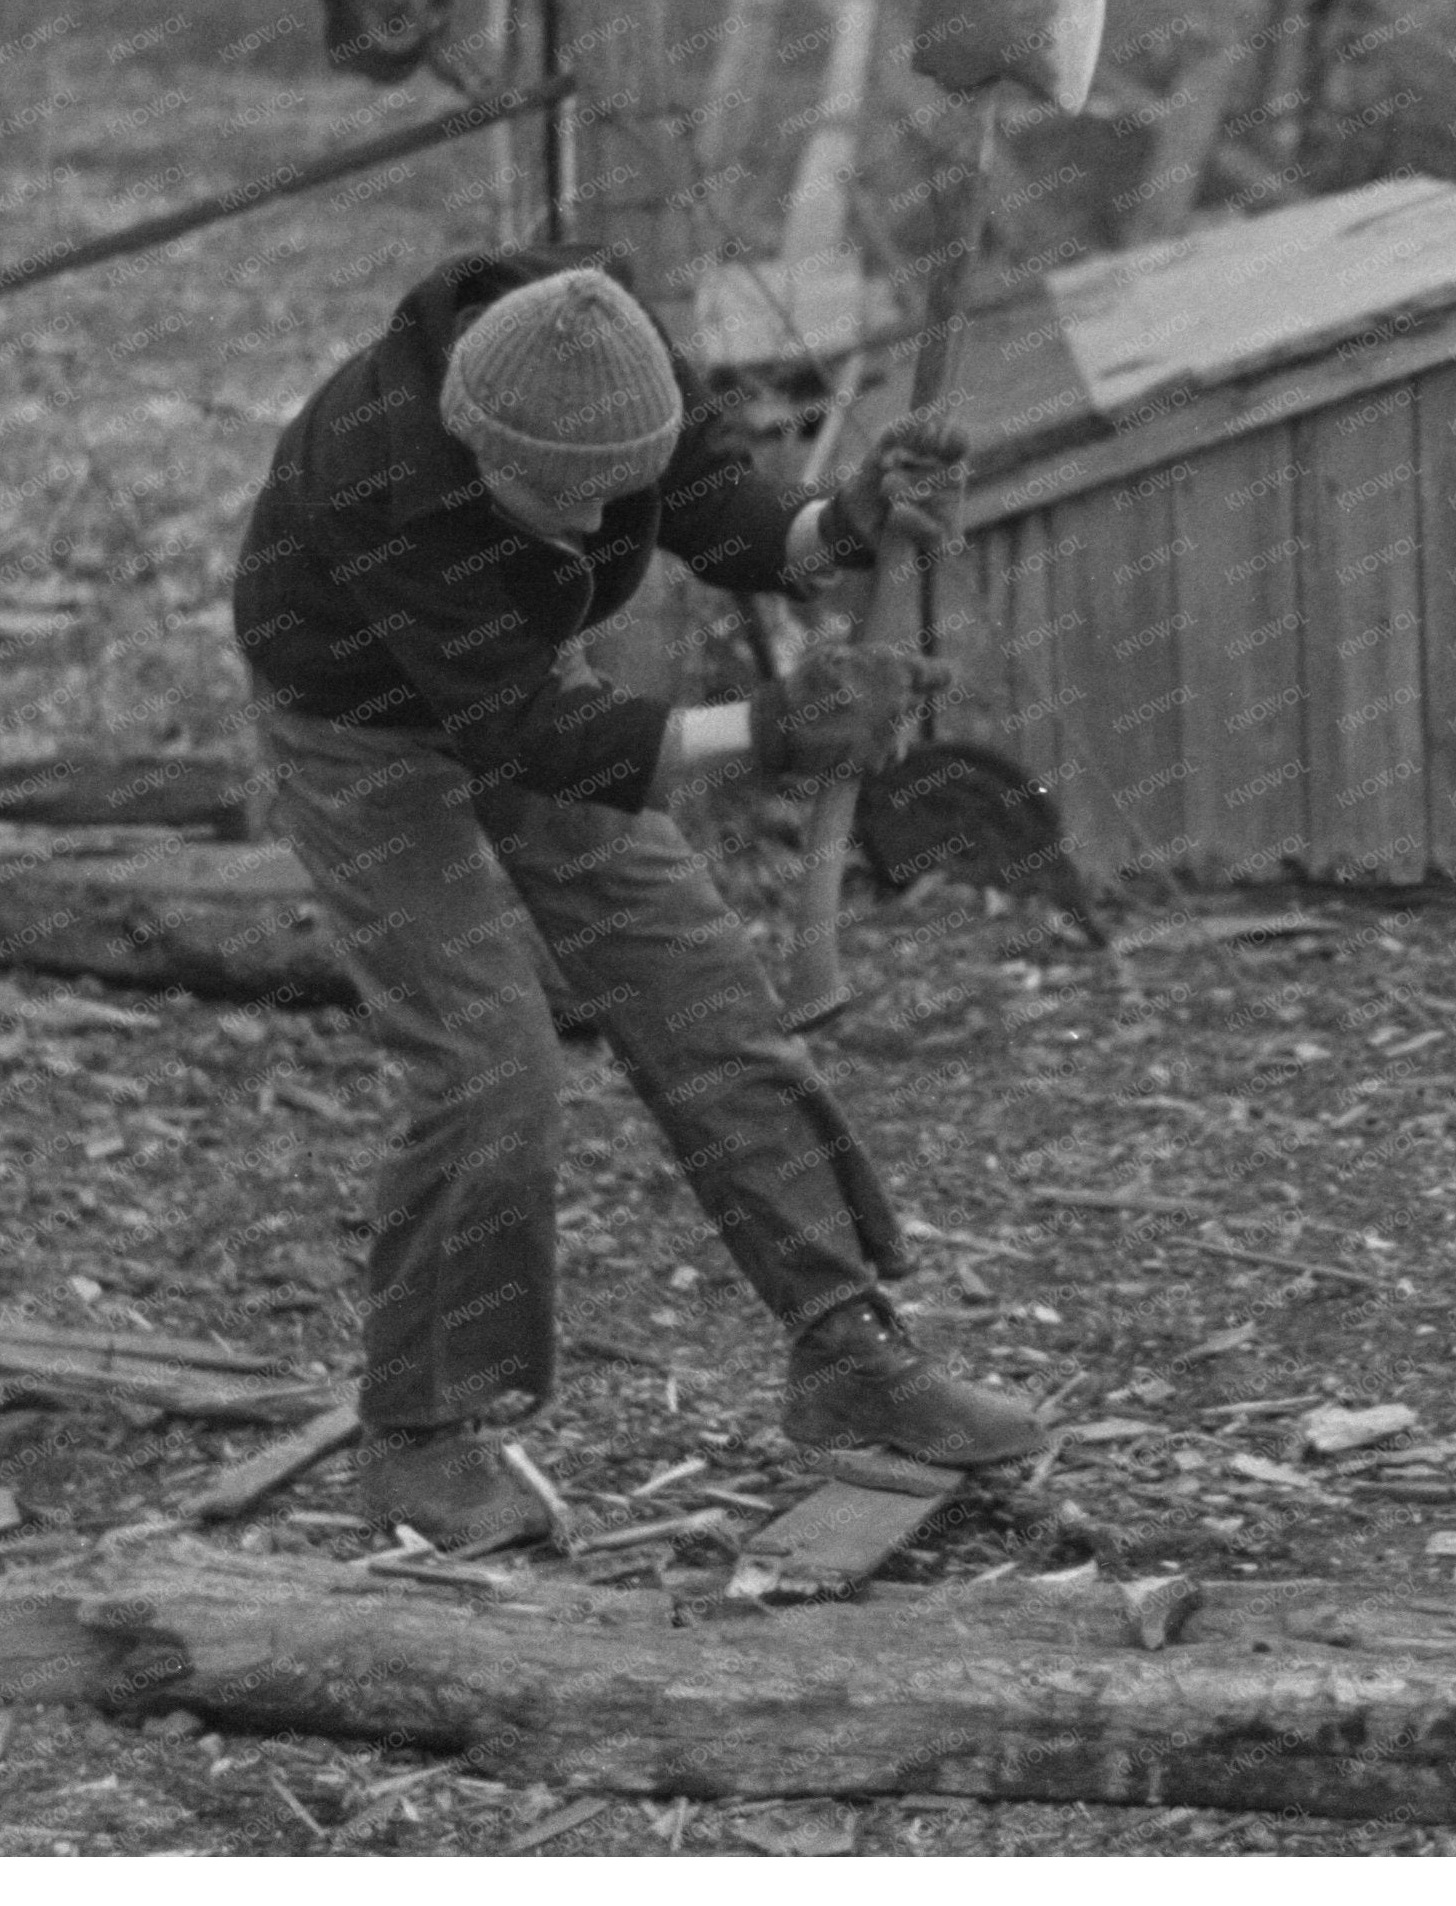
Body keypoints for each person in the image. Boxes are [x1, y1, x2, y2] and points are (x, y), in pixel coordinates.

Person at [231, 244, 1043, 1550]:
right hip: (361, 726)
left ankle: (846, 1350)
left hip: (530, 687)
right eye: (549, 499)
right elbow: (535, 736)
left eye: (606, 497)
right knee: (489, 1068)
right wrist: (774, 729)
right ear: (468, 434)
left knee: (704, 994)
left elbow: (714, 509)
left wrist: (841, 524)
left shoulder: (610, 363)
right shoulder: (380, 470)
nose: (584, 528)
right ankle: (424, 1439)